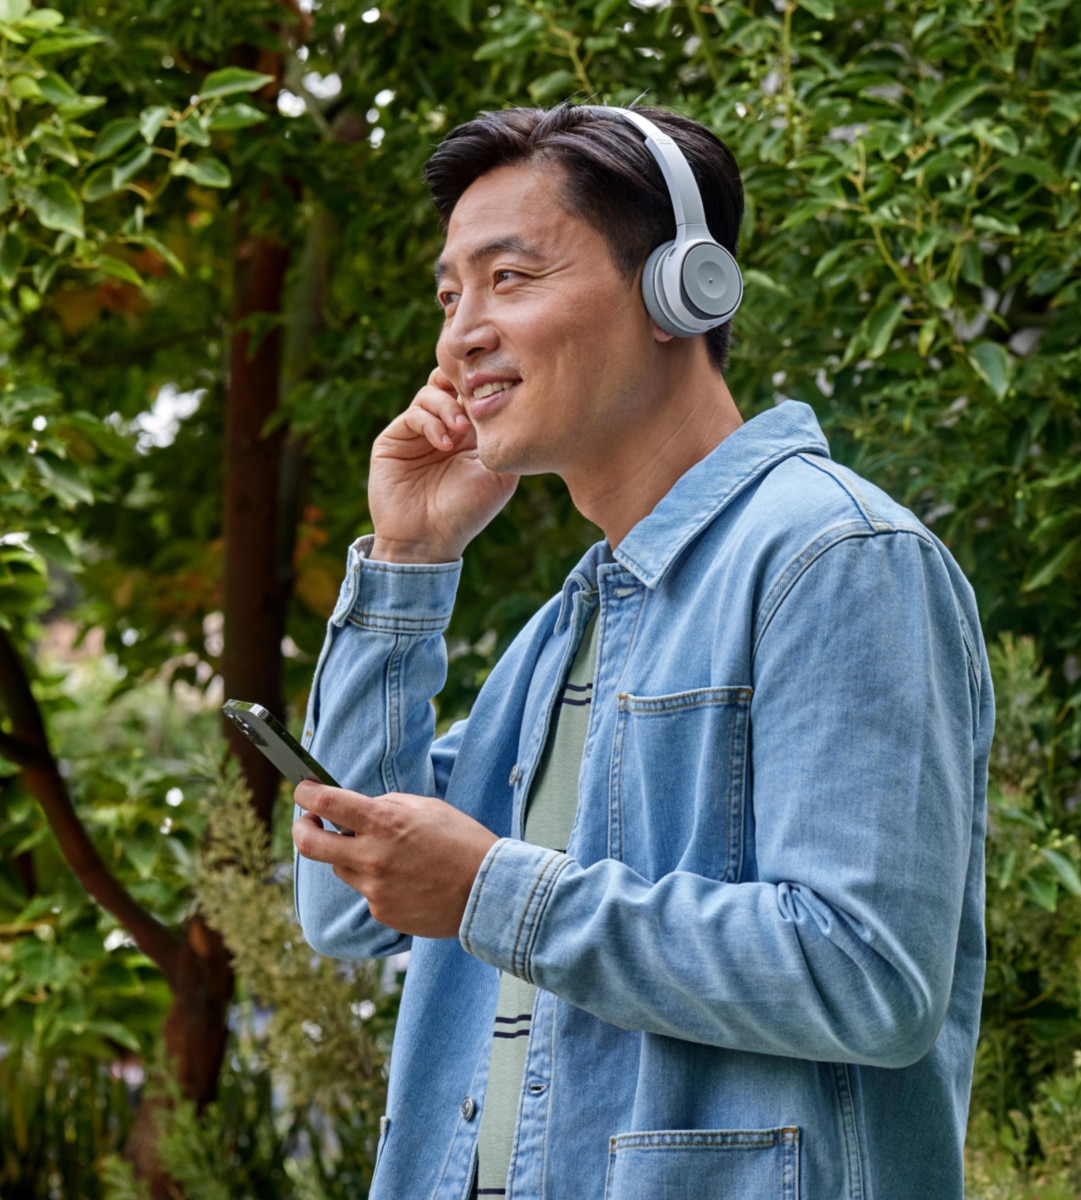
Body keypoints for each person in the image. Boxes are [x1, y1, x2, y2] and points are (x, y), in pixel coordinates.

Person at [291, 102, 993, 1200]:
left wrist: (491, 890)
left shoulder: (837, 559)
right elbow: (345, 907)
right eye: (449, 294)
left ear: (682, 290)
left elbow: (869, 975)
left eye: (509, 279)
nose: (459, 334)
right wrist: (408, 559)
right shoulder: (564, 633)